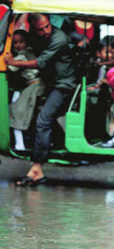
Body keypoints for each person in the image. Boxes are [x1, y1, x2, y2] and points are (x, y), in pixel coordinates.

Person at [4, 13, 76, 186]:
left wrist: (13, 62)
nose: (45, 31)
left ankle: (37, 169)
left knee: (43, 121)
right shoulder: (36, 38)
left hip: (64, 86)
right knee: (42, 118)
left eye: (47, 27)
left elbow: (40, 62)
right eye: (40, 29)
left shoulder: (60, 38)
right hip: (52, 84)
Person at [7, 29, 44, 150]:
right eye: (15, 43)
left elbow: (12, 68)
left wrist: (8, 59)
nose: (18, 45)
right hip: (37, 85)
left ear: (26, 42)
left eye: (21, 42)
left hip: (33, 86)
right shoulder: (31, 53)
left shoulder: (23, 55)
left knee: (17, 112)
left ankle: (20, 145)